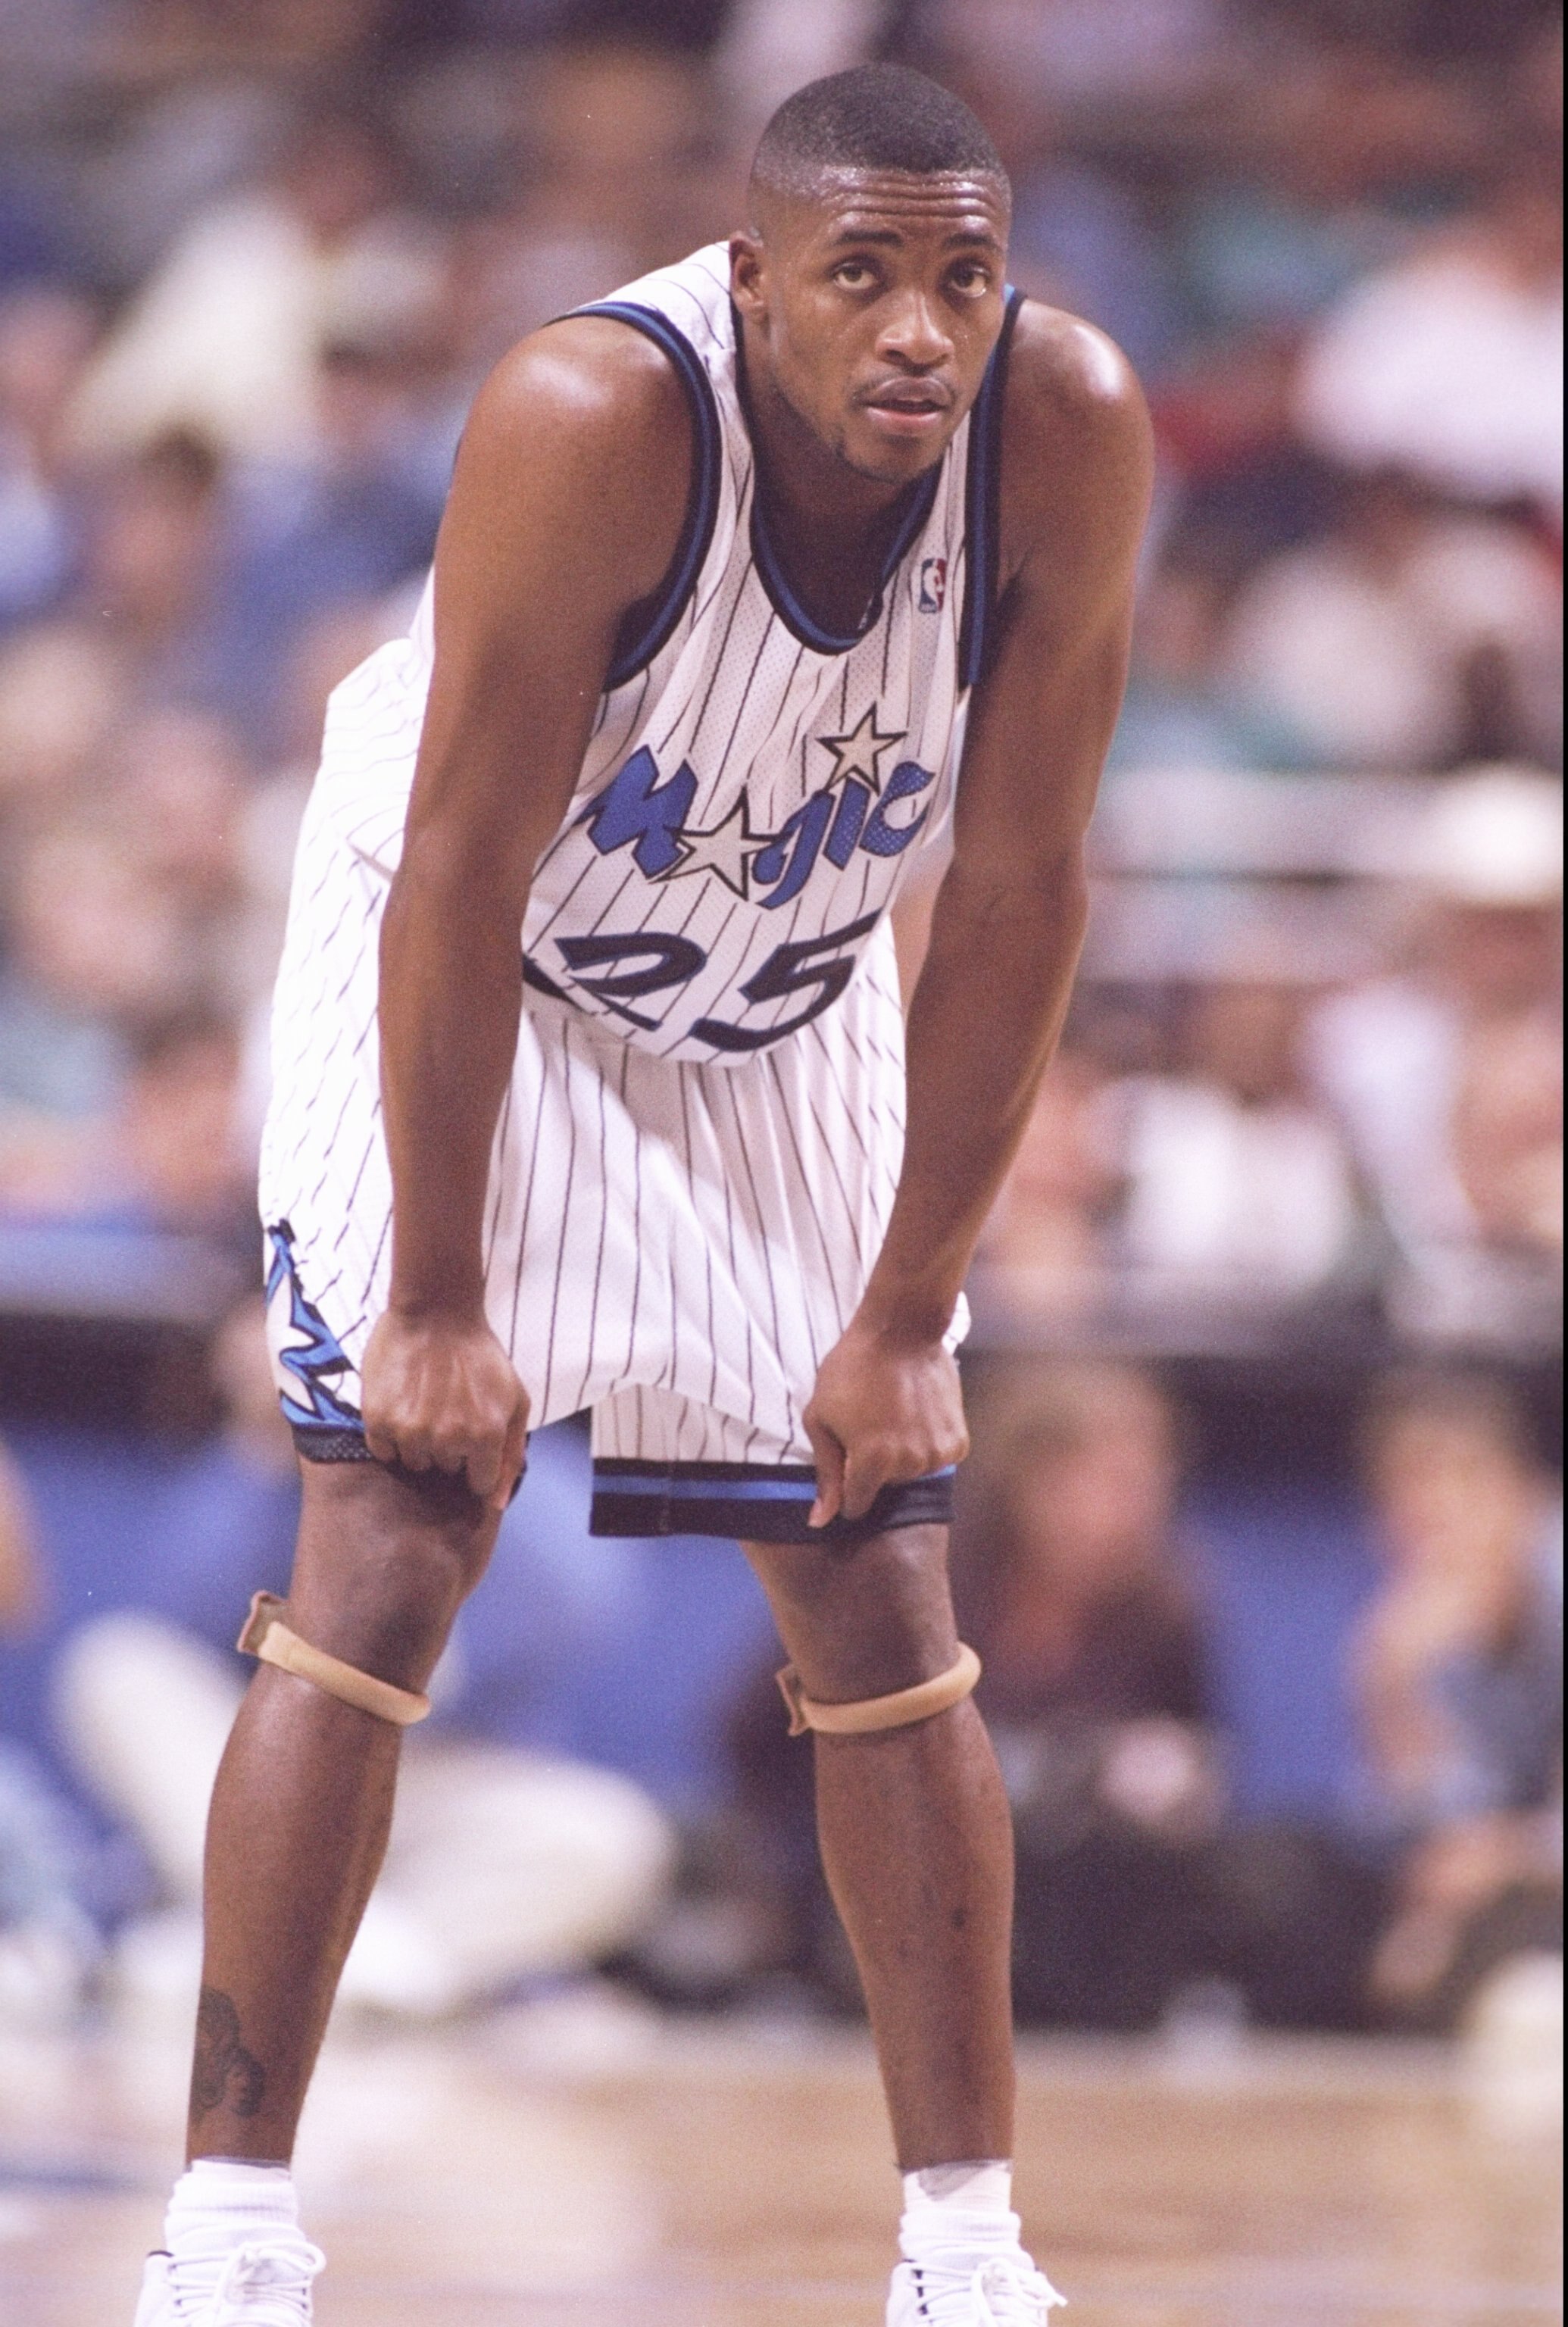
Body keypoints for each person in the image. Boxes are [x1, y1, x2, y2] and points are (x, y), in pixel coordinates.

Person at [133, 64, 1151, 2327]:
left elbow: (1019, 891)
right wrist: (445, 1294)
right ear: (753, 275)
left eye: (962, 276)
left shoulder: (1064, 421)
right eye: (864, 275)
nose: (919, 328)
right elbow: (463, 871)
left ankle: (966, 2254)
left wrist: (907, 1314)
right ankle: (225, 2237)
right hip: (475, 959)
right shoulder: (594, 412)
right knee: (390, 1544)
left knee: (880, 1595)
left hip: (780, 992)